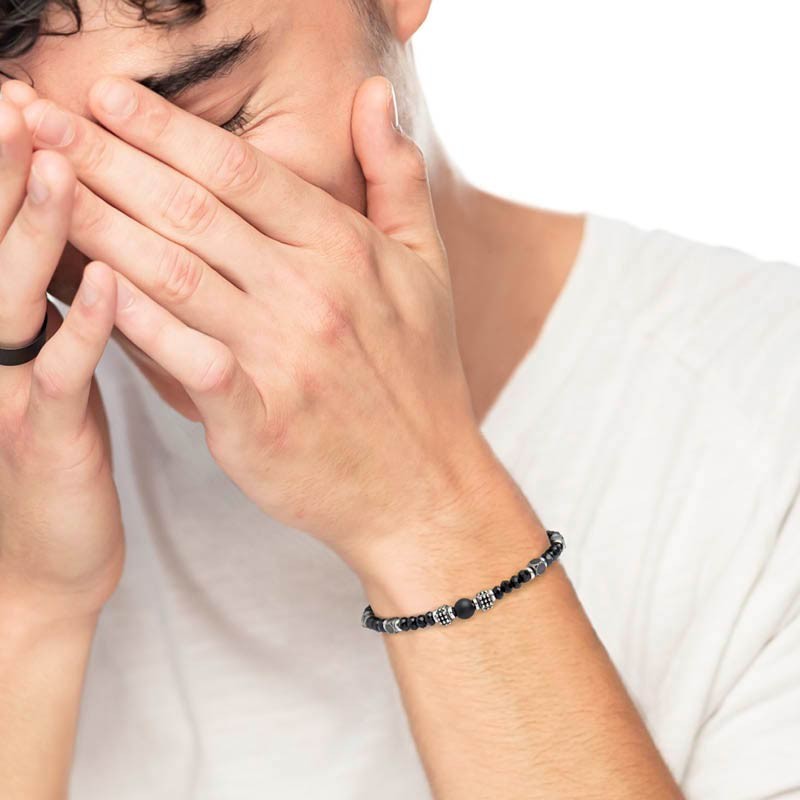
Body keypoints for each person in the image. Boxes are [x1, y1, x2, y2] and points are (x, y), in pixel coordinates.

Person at [0, 1, 798, 798]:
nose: (128, 246)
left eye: (208, 119)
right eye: (34, 173)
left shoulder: (764, 418)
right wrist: (29, 609)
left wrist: (428, 510)